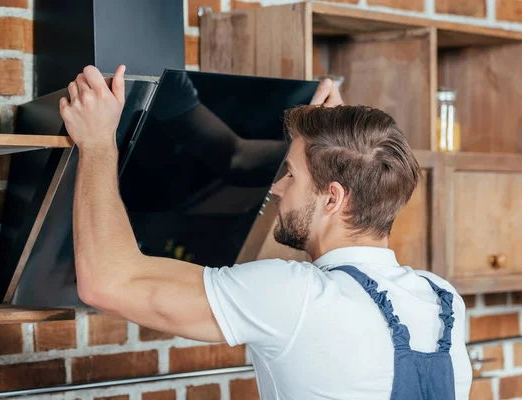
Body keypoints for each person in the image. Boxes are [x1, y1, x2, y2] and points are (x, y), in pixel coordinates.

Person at [59, 65, 472, 400]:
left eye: (290, 175)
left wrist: (97, 144)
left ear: (332, 199)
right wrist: (342, 148)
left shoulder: (295, 296)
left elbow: (108, 282)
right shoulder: (441, 298)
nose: (276, 188)